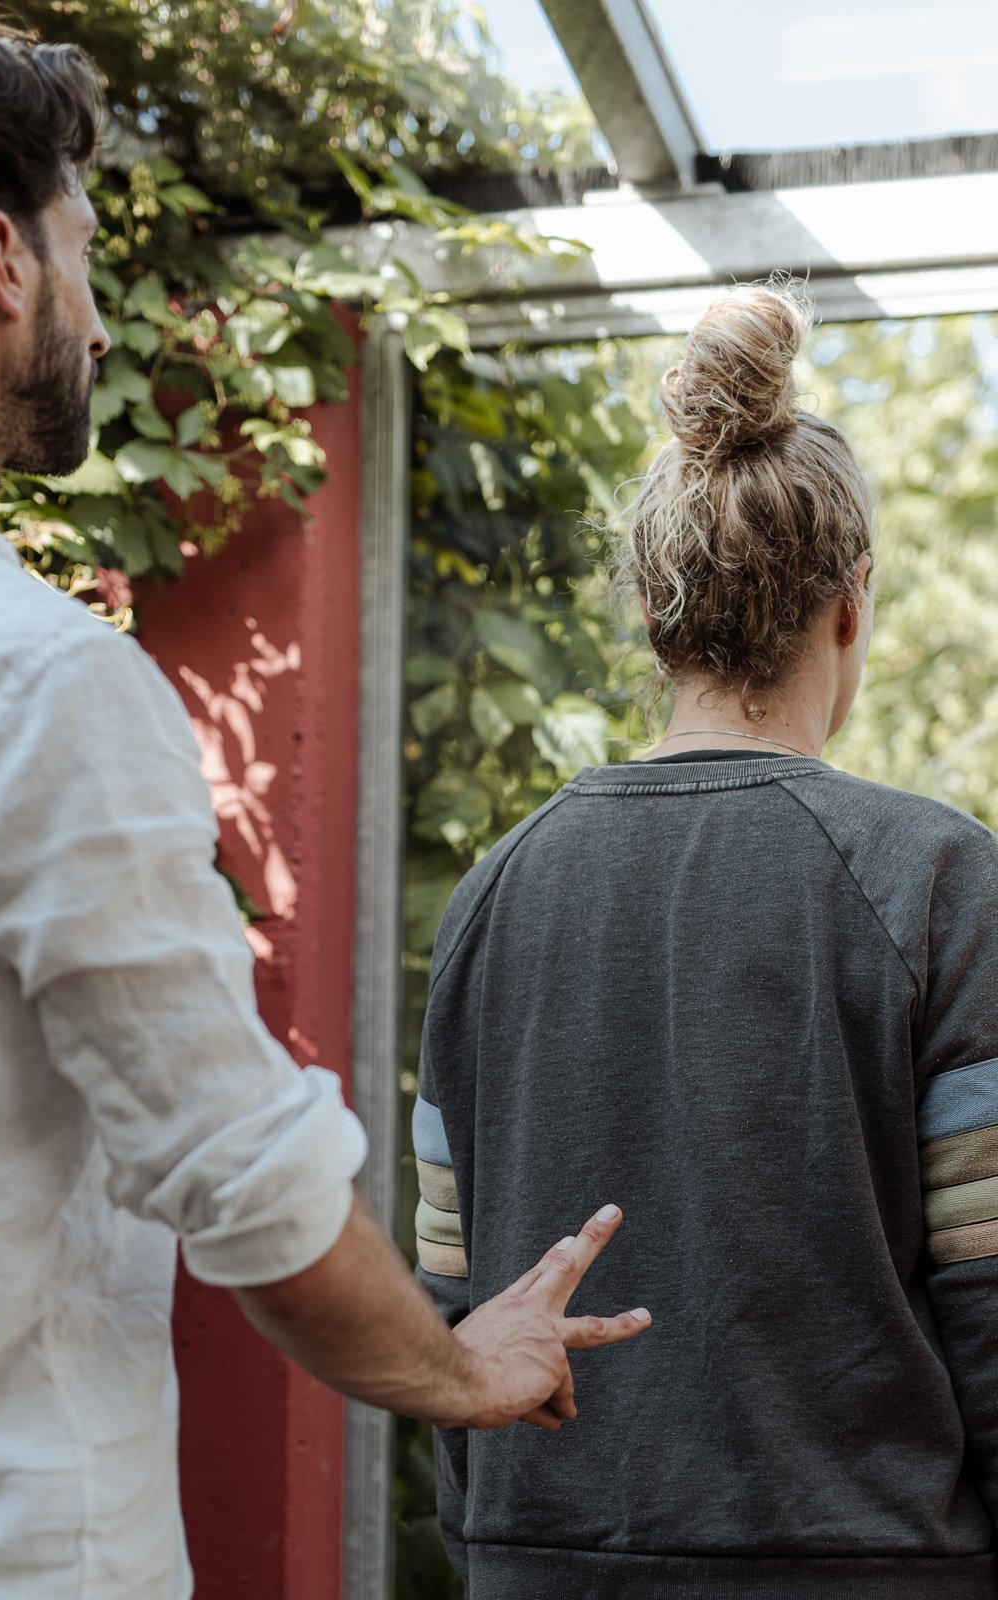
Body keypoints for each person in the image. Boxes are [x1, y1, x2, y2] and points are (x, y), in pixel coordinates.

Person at [0, 5, 653, 1597]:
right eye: (79, 250)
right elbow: (244, 1179)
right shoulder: (28, 674)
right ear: (0, 264)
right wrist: (459, 1365)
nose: (95, 315)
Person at [416, 282, 998, 1598]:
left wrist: (494, 1540)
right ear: (851, 602)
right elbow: (991, 1294)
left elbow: (453, 1303)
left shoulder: (491, 894)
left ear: (652, 612)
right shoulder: (937, 881)